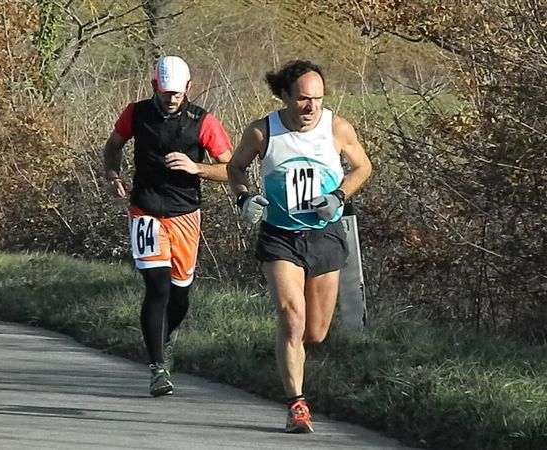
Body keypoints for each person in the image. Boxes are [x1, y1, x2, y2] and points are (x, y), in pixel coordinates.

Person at [227, 60, 372, 433]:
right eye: (304, 99)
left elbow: (363, 167)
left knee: (316, 332)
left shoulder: (337, 128)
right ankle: (297, 404)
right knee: (291, 319)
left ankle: (289, 355)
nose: (311, 108)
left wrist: (338, 197)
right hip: (280, 236)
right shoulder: (263, 131)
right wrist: (245, 198)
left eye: (318, 100)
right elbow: (236, 167)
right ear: (285, 96)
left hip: (324, 236)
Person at [102, 55, 232, 397]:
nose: (170, 98)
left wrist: (196, 168)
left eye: (176, 92)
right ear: (153, 87)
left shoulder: (203, 122)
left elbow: (231, 169)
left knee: (179, 294)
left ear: (189, 88)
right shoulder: (136, 113)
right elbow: (113, 146)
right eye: (164, 92)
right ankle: (158, 367)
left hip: (185, 213)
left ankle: (165, 339)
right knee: (157, 286)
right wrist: (112, 173)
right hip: (145, 209)